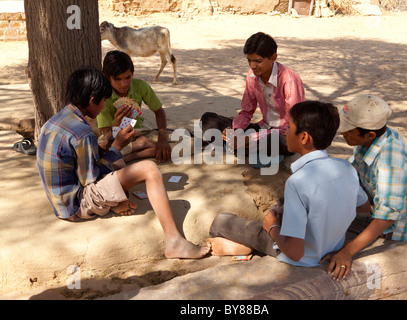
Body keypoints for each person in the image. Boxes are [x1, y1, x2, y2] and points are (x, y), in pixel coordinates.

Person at [36, 67, 209, 259]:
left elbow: (85, 161)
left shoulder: (59, 118)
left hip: (62, 200)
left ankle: (116, 201)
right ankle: (174, 242)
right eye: (102, 102)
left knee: (117, 160)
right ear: (92, 100)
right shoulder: (82, 132)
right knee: (149, 169)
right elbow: (90, 179)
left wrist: (112, 142)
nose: (103, 106)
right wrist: (117, 145)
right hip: (75, 205)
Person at [207, 101, 368, 267]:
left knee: (221, 221)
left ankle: (245, 246)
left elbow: (295, 252)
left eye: (289, 128)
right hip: (333, 245)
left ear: (304, 137)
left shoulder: (297, 183)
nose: (286, 132)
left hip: (302, 257)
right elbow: (363, 208)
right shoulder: (346, 167)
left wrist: (272, 228)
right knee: (282, 206)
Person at [321, 94, 407, 280]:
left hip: (396, 226)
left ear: (369, 134)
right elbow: (353, 166)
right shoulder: (377, 135)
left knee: (324, 245)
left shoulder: (391, 162)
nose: (342, 134)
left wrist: (347, 252)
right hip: (375, 198)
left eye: (348, 131)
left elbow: (386, 217)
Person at [200, 32, 305, 167]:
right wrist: (235, 132)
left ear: (273, 57)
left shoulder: (289, 80)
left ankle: (245, 148)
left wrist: (247, 139)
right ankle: (245, 147)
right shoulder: (252, 76)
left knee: (272, 142)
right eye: (249, 60)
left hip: (285, 135)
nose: (252, 66)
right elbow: (246, 111)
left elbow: (292, 124)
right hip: (263, 128)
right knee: (209, 120)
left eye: (257, 61)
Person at [97, 50, 171, 166]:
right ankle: (140, 148)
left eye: (128, 77)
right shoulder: (103, 97)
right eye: (118, 79)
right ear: (108, 77)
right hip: (114, 136)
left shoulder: (140, 86)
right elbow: (108, 136)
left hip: (139, 131)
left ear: (132, 73)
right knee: (103, 152)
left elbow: (159, 112)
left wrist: (162, 138)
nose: (124, 84)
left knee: (177, 146)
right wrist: (117, 123)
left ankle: (132, 153)